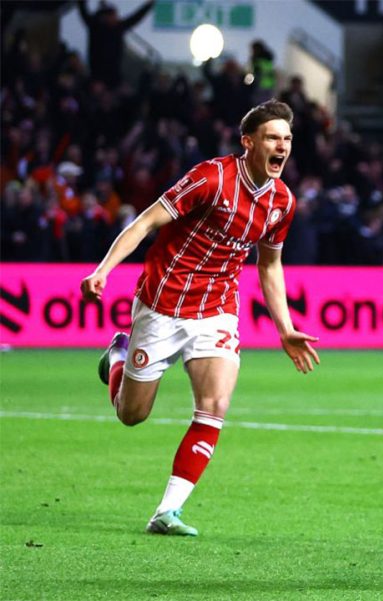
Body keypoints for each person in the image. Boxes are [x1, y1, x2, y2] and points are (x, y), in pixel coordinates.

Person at [80, 100, 320, 536]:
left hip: (218, 311)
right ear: (249, 142)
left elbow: (269, 267)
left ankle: (166, 512)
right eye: (272, 137)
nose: (281, 145)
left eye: (286, 138)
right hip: (163, 304)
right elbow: (145, 222)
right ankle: (118, 356)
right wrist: (103, 270)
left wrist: (284, 328)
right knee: (131, 415)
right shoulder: (210, 178)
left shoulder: (282, 202)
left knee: (214, 406)